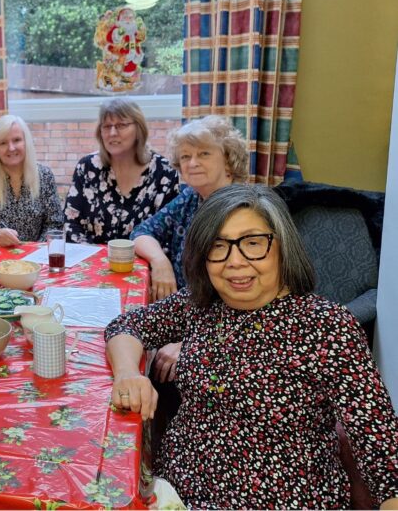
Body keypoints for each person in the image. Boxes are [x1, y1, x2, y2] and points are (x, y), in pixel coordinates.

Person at [105, 184, 398, 509]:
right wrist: (128, 373)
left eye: (253, 243)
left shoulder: (327, 325)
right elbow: (127, 326)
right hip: (176, 491)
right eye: (218, 246)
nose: (235, 262)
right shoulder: (201, 304)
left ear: (282, 246)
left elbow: (378, 437)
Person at [132, 115, 248, 384]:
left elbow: (245, 303)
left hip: (224, 336)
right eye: (185, 156)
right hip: (183, 316)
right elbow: (141, 233)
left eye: (203, 154)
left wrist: (188, 343)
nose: (192, 163)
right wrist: (159, 260)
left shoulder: (243, 212)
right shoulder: (191, 198)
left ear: (228, 159)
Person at [64, 98, 179, 244]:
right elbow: (70, 225)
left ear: (139, 129)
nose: (112, 133)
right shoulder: (87, 167)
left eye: (121, 125)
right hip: (92, 262)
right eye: (106, 126)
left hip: (144, 262)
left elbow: (169, 233)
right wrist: (96, 260)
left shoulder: (164, 171)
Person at [0, 114, 64, 246]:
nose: (11, 148)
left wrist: (36, 249)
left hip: (34, 255)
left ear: (26, 142)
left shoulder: (45, 175)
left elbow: (54, 223)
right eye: (3, 143)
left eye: (17, 140)